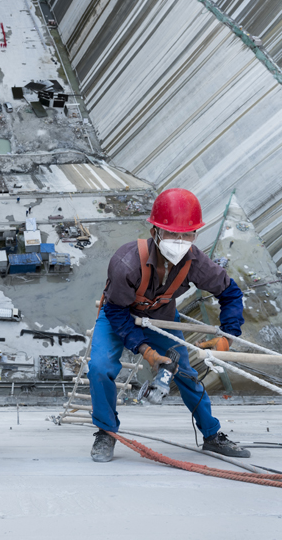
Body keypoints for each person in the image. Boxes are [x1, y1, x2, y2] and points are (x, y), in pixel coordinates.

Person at [88, 188, 248, 462]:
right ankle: (106, 432)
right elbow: (115, 312)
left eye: (188, 235)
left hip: (162, 317)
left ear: (195, 235)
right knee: (100, 368)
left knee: (186, 374)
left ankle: (211, 435)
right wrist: (146, 351)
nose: (181, 241)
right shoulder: (126, 263)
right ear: (155, 233)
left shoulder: (196, 263)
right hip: (119, 315)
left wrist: (228, 335)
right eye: (173, 234)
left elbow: (230, 293)